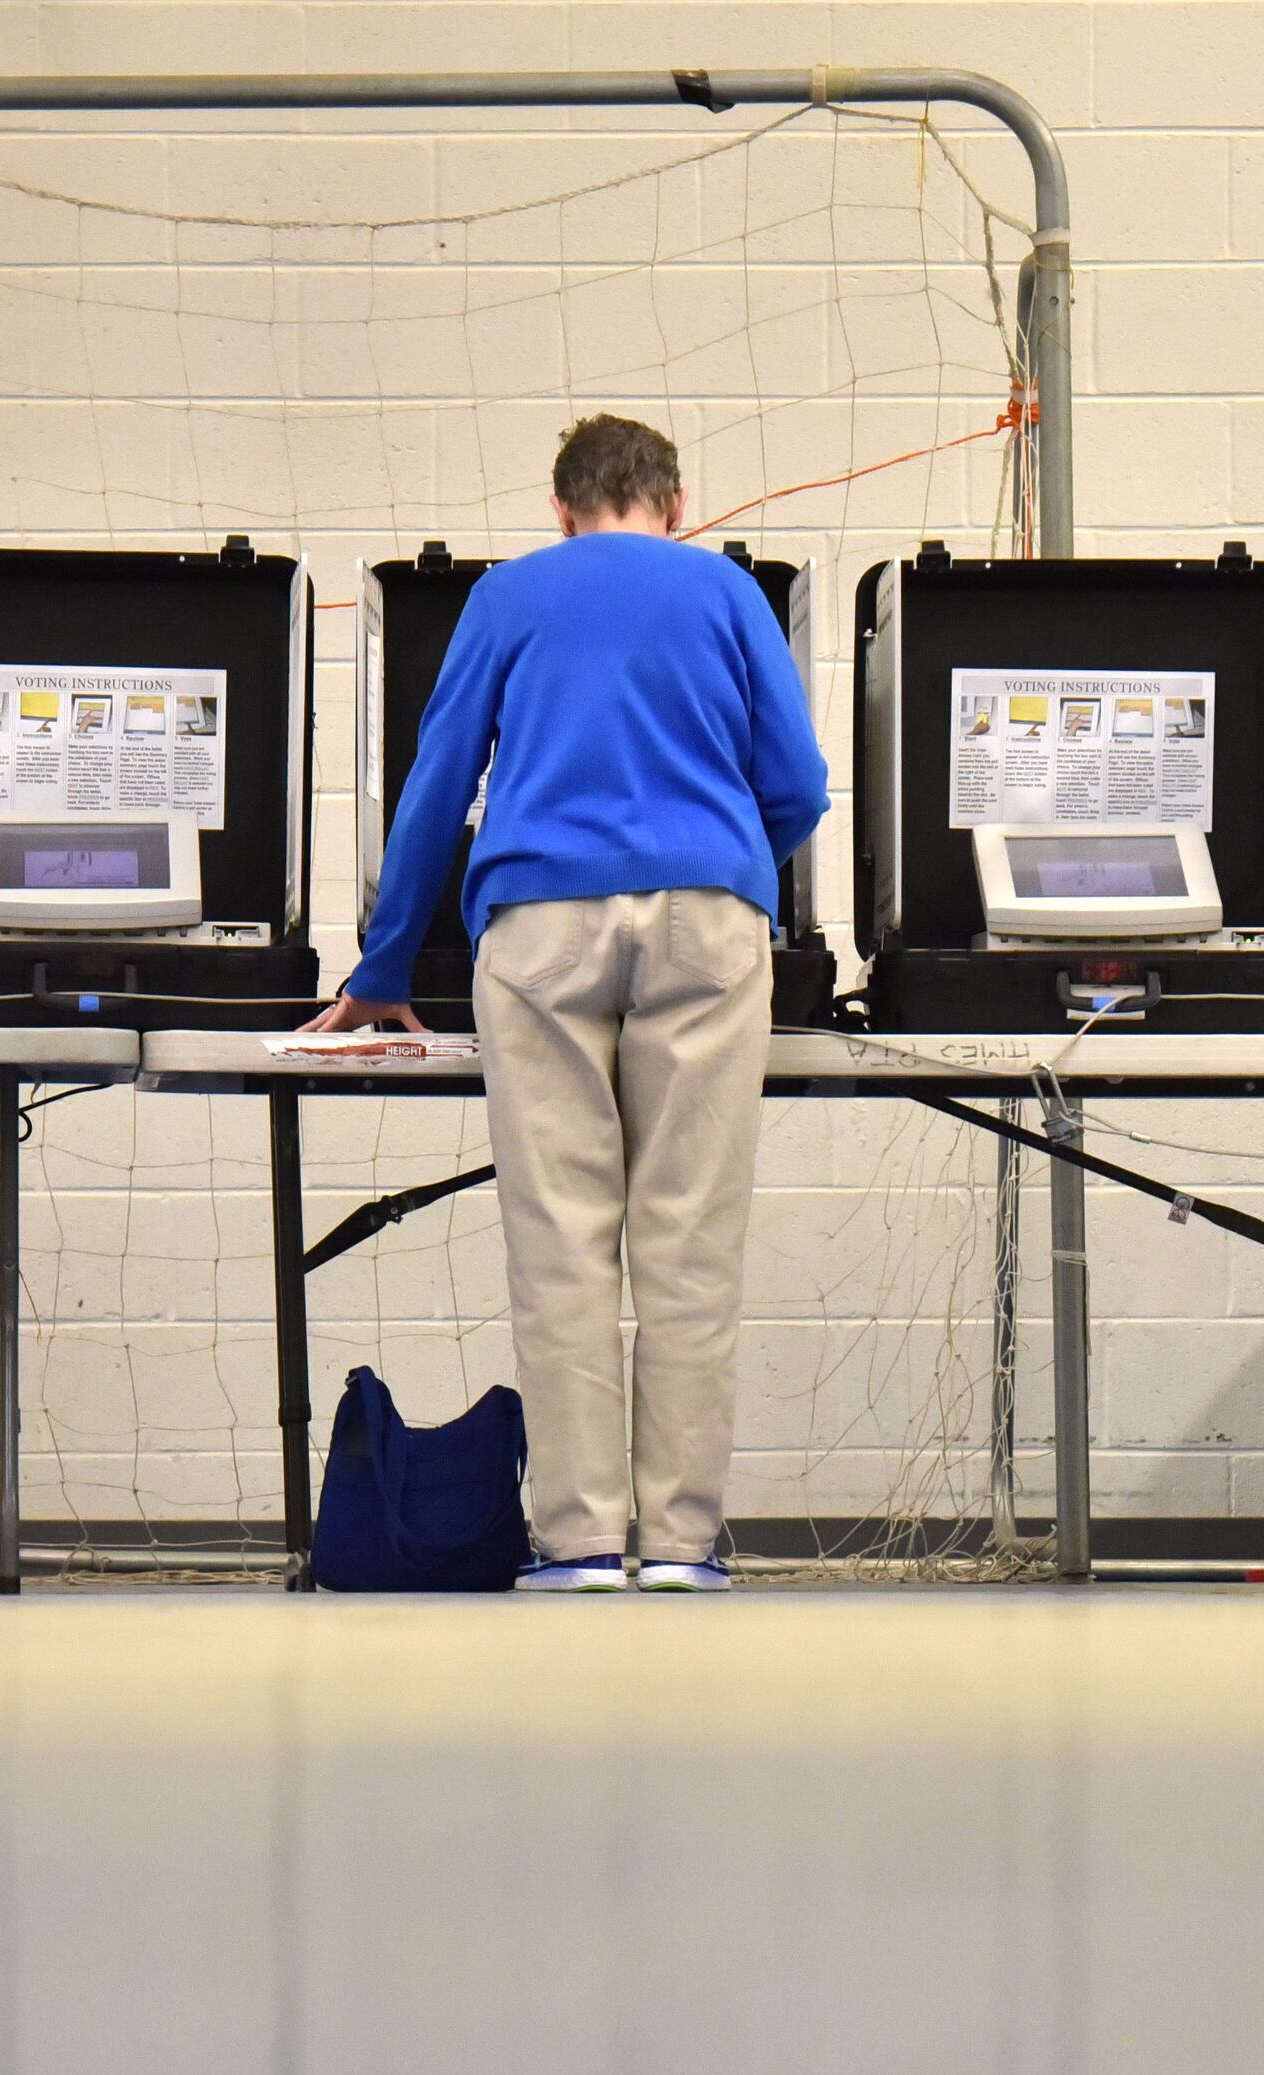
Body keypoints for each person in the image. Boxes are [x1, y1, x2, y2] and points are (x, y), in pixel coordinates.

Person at [309, 414, 827, 1592]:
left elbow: (438, 782)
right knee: (690, 1246)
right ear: (678, 501)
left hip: (541, 927)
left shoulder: (509, 594)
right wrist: (736, 849)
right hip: (707, 921)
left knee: (562, 1242)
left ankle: (584, 1541)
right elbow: (797, 782)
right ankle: (684, 1547)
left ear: (562, 508)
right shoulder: (727, 593)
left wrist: (385, 967)